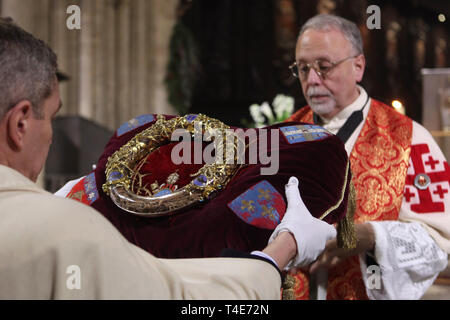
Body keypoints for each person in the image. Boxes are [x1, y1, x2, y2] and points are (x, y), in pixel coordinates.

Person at [0, 17, 338, 299]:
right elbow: (186, 303)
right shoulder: (66, 231)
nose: (51, 134)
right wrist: (282, 250)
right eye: (52, 117)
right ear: (20, 123)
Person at [287, 14, 450, 299]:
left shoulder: (411, 141)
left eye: (324, 67)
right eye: (302, 69)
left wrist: (373, 237)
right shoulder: (282, 137)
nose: (312, 80)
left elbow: (440, 244)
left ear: (358, 66)